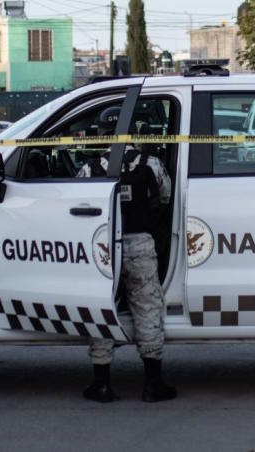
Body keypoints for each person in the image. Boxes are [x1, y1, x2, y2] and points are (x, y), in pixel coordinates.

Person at [77, 107, 177, 404]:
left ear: (102, 135)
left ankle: (101, 384)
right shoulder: (152, 164)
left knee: (102, 309)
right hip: (141, 245)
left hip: (103, 248)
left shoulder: (89, 168)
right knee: (147, 309)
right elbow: (165, 198)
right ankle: (152, 384)